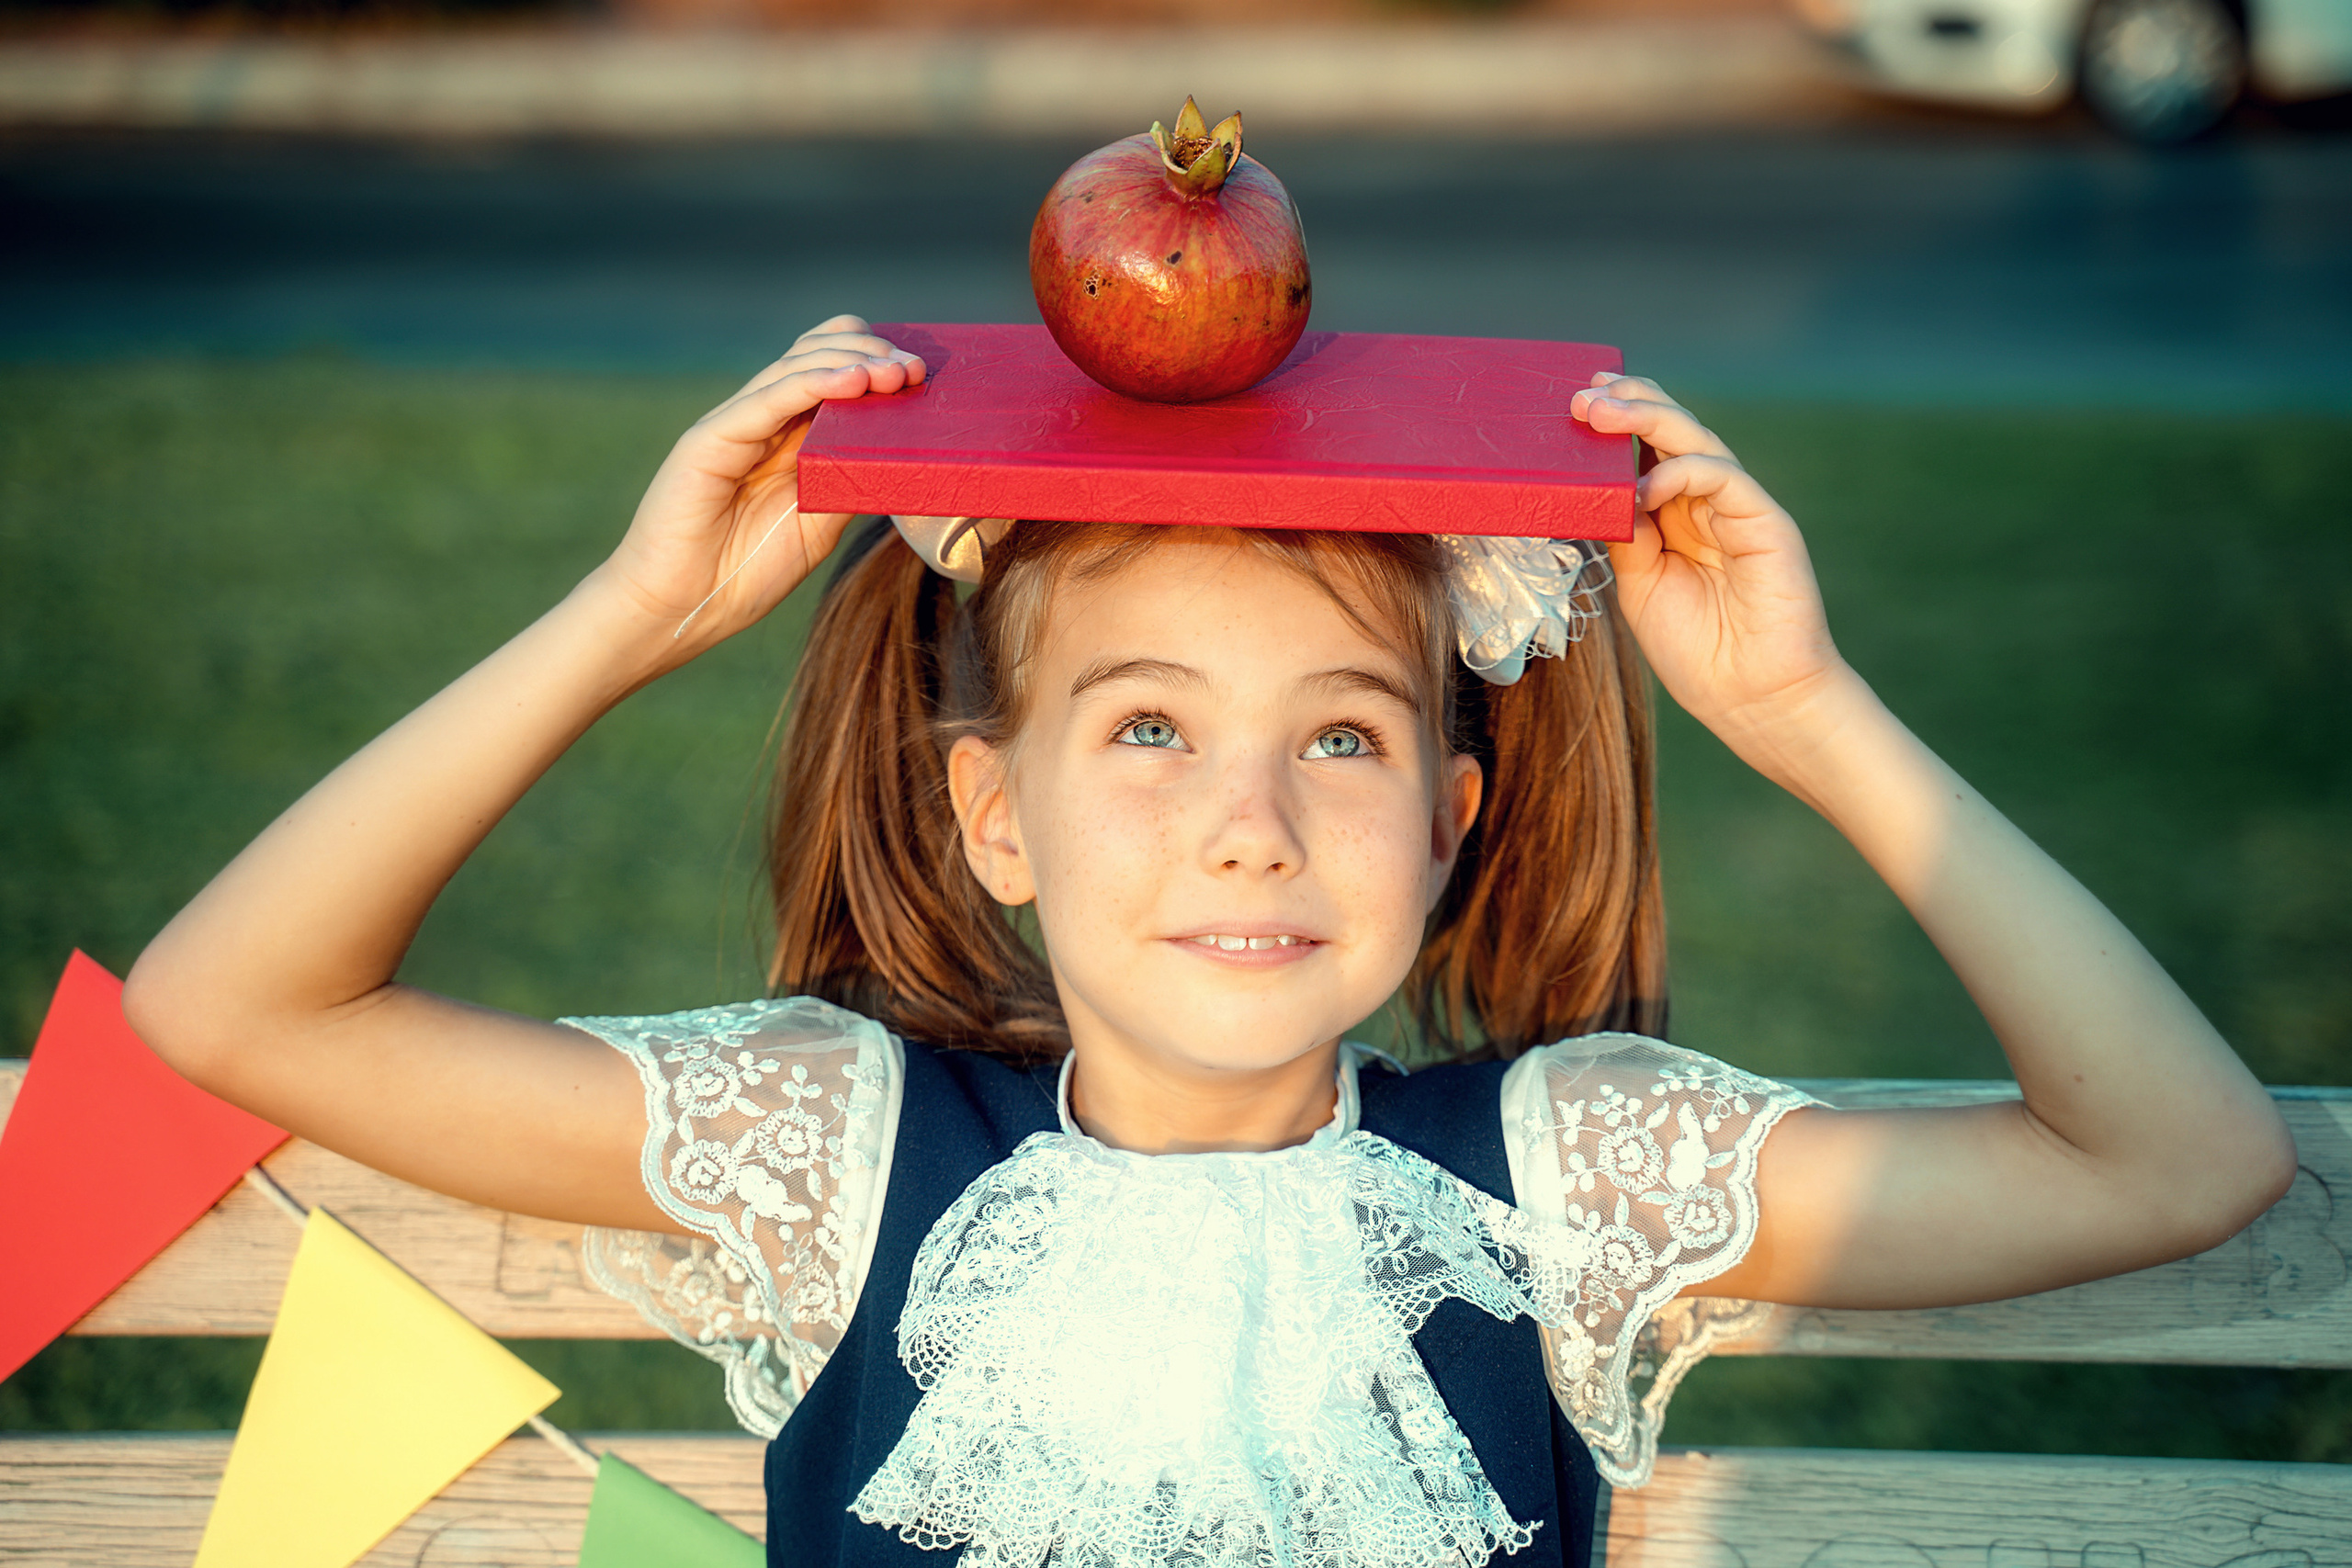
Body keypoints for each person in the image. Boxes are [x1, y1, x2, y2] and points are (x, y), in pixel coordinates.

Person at [125, 315, 2296, 1567]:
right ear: (993, 814)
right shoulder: (836, 1157)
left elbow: (2176, 1160)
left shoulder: (1556, 1180)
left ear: (1443, 823)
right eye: (1146, 726)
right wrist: (633, 614)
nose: (1248, 823)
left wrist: (1805, 715)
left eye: (1338, 736)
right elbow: (233, 1003)